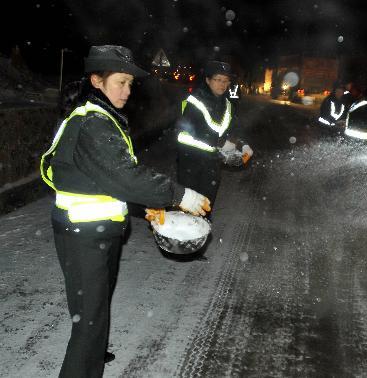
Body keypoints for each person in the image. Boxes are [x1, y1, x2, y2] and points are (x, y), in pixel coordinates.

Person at [40, 45, 211, 378]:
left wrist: (146, 205)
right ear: (97, 80)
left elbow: (106, 181)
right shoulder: (94, 123)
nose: (127, 91)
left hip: (97, 231)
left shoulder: (103, 118)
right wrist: (179, 195)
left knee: (94, 309)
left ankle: (92, 353)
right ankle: (84, 363)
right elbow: (125, 177)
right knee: (89, 319)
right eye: (120, 82)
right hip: (84, 236)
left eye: (130, 84)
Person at [176, 60, 253, 221]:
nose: (222, 84)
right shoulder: (194, 102)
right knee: (188, 206)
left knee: (205, 205)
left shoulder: (228, 105)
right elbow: (185, 134)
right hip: (190, 163)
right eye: (218, 79)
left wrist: (243, 145)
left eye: (226, 81)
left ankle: (202, 230)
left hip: (211, 165)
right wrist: (219, 146)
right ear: (207, 80)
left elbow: (233, 129)